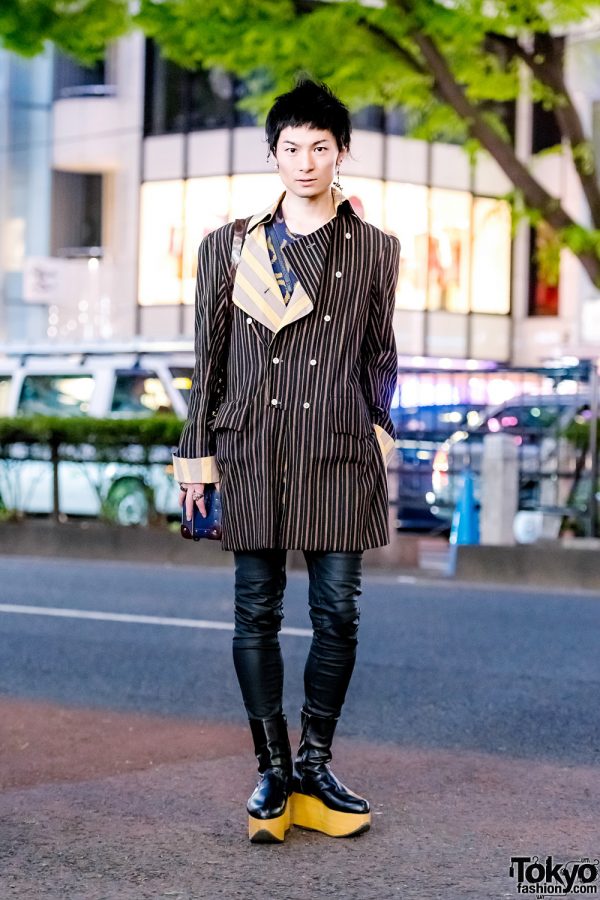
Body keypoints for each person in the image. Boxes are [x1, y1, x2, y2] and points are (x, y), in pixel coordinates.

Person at [173, 78, 400, 843]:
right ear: (273, 154)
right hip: (251, 450)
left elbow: (379, 356)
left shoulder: (376, 248)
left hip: (337, 455)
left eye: (321, 147)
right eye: (292, 147)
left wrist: (377, 427)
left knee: (338, 613)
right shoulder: (230, 247)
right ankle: (272, 767)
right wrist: (194, 461)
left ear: (342, 153)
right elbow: (209, 363)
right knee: (255, 611)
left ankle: (316, 762)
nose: (306, 161)